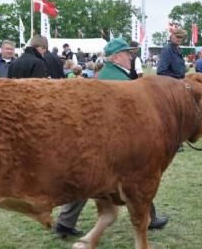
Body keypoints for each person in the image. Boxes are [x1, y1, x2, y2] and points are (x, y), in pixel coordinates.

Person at [55, 38, 168, 238]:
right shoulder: (117, 78)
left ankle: (65, 221)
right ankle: (149, 217)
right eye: (127, 53)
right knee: (140, 177)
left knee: (88, 181)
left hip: (101, 137)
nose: (131, 57)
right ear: (116, 56)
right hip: (112, 140)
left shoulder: (109, 73)